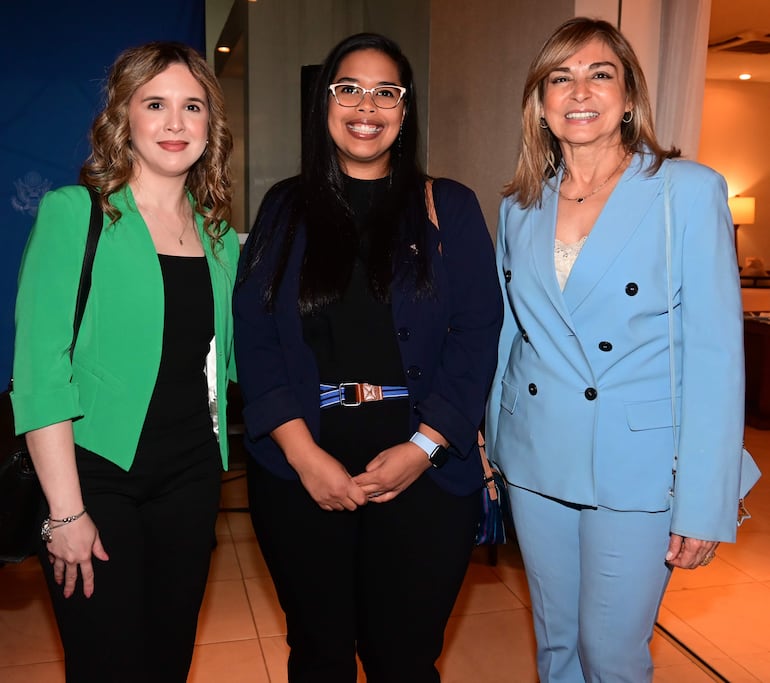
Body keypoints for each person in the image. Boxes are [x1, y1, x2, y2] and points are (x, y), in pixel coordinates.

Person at [485, 17, 759, 683]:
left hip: (638, 465)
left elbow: (717, 357)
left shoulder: (686, 191)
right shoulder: (519, 205)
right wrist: (492, 443)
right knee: (556, 648)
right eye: (561, 77)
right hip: (536, 455)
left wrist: (704, 499)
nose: (579, 91)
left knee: (612, 653)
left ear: (629, 97)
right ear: (541, 104)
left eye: (599, 74)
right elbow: (510, 335)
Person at [234, 32, 502, 683]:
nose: (367, 105)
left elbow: (477, 334)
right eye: (349, 87)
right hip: (302, 472)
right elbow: (256, 337)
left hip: (426, 476)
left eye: (387, 92)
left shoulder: (450, 207)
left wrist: (424, 446)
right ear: (324, 103)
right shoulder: (284, 207)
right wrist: (304, 457)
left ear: (405, 112)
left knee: (404, 660)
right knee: (320, 655)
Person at [11, 42, 239, 683]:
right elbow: (39, 372)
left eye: (192, 107)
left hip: (193, 477)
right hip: (94, 478)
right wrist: (65, 513)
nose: (174, 124)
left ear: (209, 126)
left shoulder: (218, 234)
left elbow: (237, 356)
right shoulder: (74, 213)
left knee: (168, 660)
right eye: (156, 104)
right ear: (124, 118)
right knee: (106, 664)